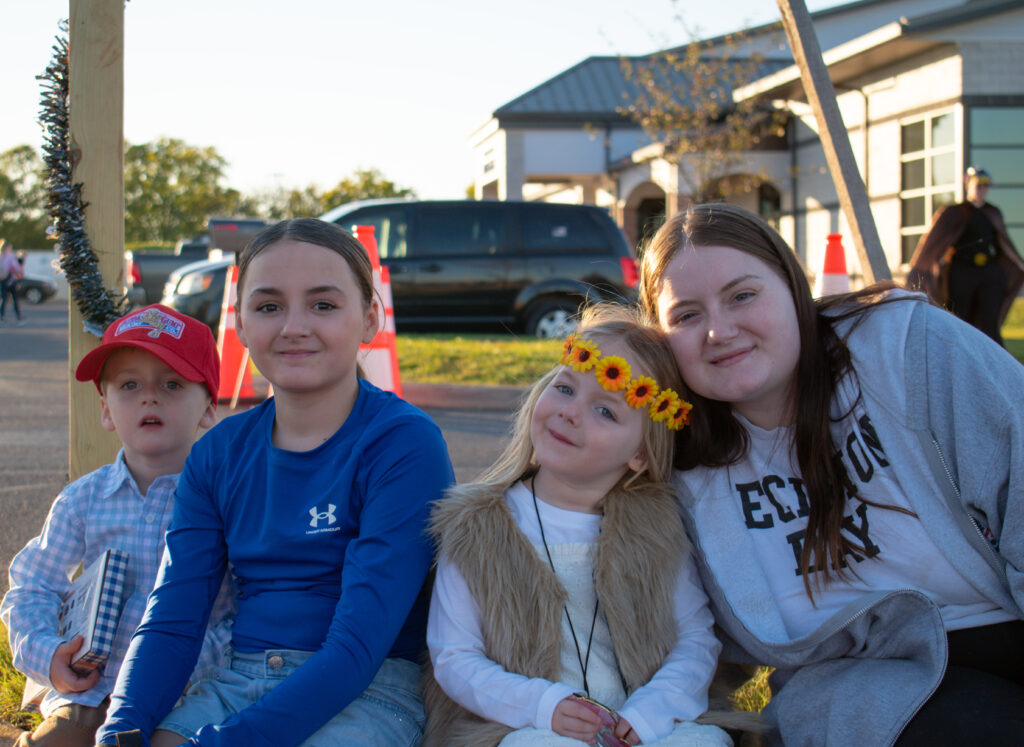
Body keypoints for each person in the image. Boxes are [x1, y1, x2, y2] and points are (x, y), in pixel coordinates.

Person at [639, 202, 1024, 746]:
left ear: (794, 288)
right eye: (687, 315)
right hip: (867, 690)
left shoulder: (904, 348)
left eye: (742, 295)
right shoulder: (673, 457)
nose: (719, 331)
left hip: (1001, 632)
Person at [95, 218, 455, 747]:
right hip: (239, 681)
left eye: (323, 305)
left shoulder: (403, 444)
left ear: (370, 317)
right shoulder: (217, 453)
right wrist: (121, 725)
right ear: (239, 321)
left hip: (368, 688)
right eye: (268, 306)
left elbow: (356, 650)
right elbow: (173, 615)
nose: (293, 326)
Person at [425, 304, 735, 747]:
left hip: (639, 723)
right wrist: (543, 705)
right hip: (525, 724)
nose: (570, 413)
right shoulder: (477, 528)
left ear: (641, 454)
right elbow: (454, 656)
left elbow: (696, 637)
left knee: (704, 744)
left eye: (606, 411)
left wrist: (655, 710)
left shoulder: (656, 529)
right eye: (565, 388)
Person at [0, 303, 220, 747]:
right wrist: (48, 654)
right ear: (105, 408)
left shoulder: (225, 502)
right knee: (60, 742)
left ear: (208, 408)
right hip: (90, 687)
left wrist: (197, 665)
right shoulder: (84, 499)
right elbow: (33, 584)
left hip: (186, 693)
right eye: (129, 384)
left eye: (172, 383)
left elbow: (246, 606)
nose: (148, 397)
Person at [906, 166, 1024, 345]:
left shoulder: (993, 212)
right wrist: (920, 271)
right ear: (968, 183)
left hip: (989, 273)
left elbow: (1005, 246)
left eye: (986, 185)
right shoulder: (954, 212)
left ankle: (992, 360)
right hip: (961, 273)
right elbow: (932, 245)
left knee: (990, 320)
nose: (982, 189)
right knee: (960, 318)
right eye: (979, 184)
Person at [1, 239, 26, 325]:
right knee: (14, 299)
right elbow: (16, 269)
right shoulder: (10, 257)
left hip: (3, 280)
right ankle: (18, 316)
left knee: (4, 299)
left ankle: (2, 316)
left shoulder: (1, 256)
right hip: (11, 280)